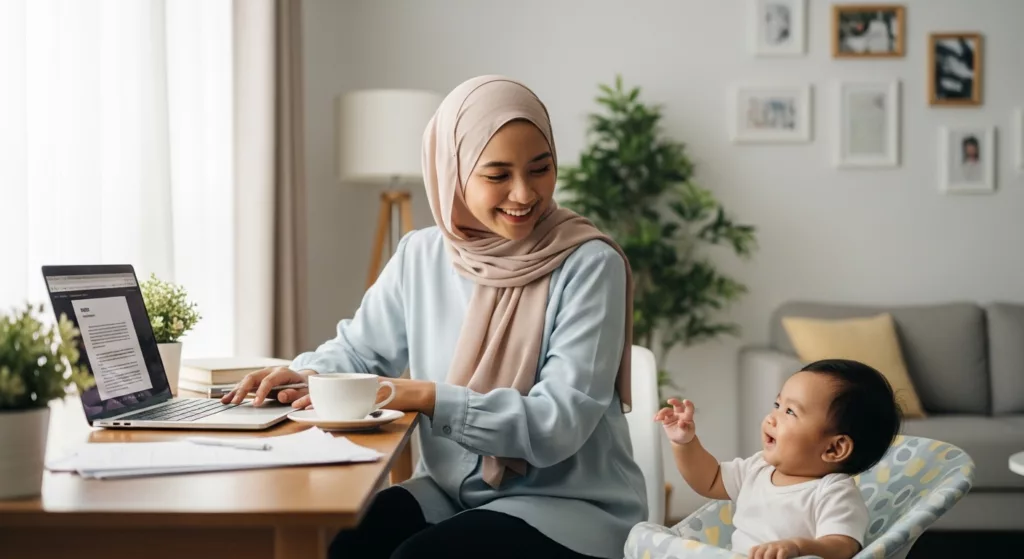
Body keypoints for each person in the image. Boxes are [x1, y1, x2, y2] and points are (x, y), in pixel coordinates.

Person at [222, 75, 648, 559]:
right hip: (452, 492)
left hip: (572, 508)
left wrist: (426, 397)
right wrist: (305, 373)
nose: (525, 194)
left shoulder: (591, 264)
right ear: (454, 171)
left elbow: (557, 424)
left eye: (540, 168)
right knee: (340, 546)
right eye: (497, 174)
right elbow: (360, 351)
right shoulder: (420, 255)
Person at [651, 359, 902, 559]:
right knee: (646, 536)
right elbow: (709, 479)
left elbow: (842, 546)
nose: (772, 417)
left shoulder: (833, 492)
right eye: (777, 404)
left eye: (790, 411)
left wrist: (799, 547)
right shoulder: (758, 468)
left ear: (834, 449)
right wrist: (685, 443)